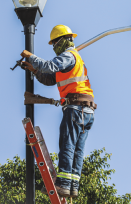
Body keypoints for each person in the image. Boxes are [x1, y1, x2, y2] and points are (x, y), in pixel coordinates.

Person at [20, 24, 96, 198]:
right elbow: (49, 78)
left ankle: (62, 184)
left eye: (54, 43)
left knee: (67, 146)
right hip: (87, 111)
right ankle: (72, 186)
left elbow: (49, 66)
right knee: (77, 149)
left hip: (76, 108)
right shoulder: (72, 60)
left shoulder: (68, 56)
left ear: (62, 41)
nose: (53, 47)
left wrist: (31, 57)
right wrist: (34, 70)